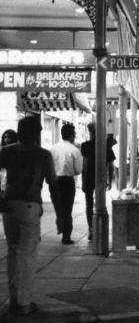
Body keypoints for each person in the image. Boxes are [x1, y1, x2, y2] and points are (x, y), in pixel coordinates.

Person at [0, 116, 57, 316]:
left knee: (13, 252)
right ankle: (23, 302)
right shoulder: (43, 155)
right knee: (27, 255)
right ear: (36, 133)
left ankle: (13, 298)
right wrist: (60, 214)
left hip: (8, 205)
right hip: (29, 205)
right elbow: (53, 184)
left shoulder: (6, 151)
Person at [80, 123, 116, 241]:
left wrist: (83, 180)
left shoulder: (85, 145)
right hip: (100, 178)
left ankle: (91, 229)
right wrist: (110, 180)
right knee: (100, 204)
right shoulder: (106, 146)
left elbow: (84, 165)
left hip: (89, 178)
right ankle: (99, 228)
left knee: (89, 204)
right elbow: (110, 166)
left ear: (90, 132)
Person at [49, 123, 82, 245]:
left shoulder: (52, 149)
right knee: (67, 210)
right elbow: (78, 170)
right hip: (68, 182)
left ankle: (60, 223)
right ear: (72, 135)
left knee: (58, 208)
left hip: (54, 182)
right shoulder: (74, 150)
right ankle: (66, 237)